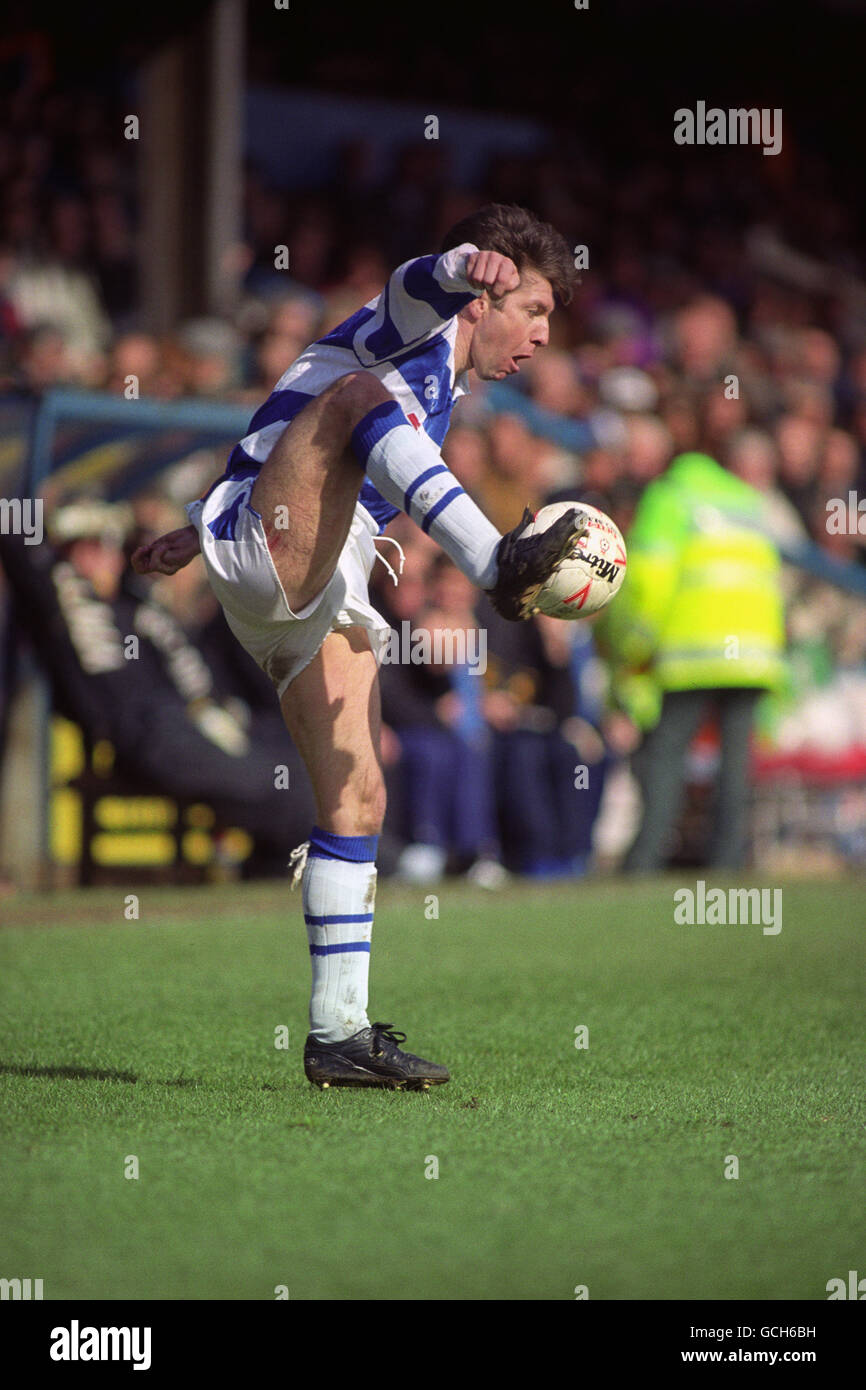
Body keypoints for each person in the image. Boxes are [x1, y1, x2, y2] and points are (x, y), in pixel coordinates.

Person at [131, 203, 585, 1090]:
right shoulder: (414, 331)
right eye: (531, 310)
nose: (538, 336)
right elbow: (407, 290)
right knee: (357, 399)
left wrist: (201, 529)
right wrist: (461, 265)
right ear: (488, 297)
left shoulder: (443, 392)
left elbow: (281, 422)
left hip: (306, 567)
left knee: (358, 793)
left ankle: (338, 1035)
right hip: (286, 549)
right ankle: (496, 556)